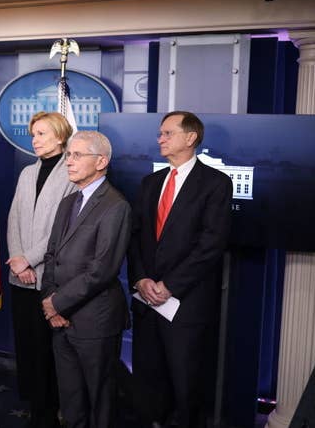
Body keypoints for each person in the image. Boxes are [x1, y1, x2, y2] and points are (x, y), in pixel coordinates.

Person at [128, 111, 232, 428]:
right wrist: (141, 278)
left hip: (186, 304)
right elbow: (135, 237)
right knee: (148, 377)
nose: (160, 138)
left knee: (186, 381)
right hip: (147, 300)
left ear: (190, 138)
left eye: (167, 133)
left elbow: (211, 244)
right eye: (160, 133)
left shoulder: (215, 184)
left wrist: (170, 285)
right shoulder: (150, 182)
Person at [40, 130, 131, 428]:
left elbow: (102, 270)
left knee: (100, 401)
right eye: (68, 155)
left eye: (77, 155)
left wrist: (57, 304)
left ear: (101, 161)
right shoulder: (68, 202)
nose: (69, 161)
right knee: (71, 400)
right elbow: (52, 255)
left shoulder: (116, 206)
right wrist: (51, 302)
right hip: (60, 320)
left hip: (96, 321)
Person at [6, 111, 75, 428]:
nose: (34, 140)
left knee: (52, 351)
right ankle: (35, 407)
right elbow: (13, 221)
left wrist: (29, 259)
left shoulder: (73, 173)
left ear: (60, 136)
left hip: (50, 279)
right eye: (33, 134)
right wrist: (18, 258)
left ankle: (52, 410)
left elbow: (63, 229)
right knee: (28, 346)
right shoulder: (26, 173)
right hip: (21, 277)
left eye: (42, 134)